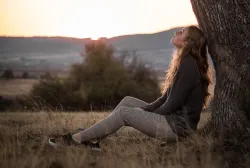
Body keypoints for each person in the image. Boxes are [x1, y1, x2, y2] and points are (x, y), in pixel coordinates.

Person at [49, 26, 212, 150]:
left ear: (187, 41)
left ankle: (76, 140)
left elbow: (172, 104)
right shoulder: (184, 62)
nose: (177, 33)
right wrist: (146, 109)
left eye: (182, 32)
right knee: (128, 101)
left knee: (124, 113)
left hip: (177, 128)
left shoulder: (188, 66)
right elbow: (165, 99)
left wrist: (146, 113)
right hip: (172, 122)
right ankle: (92, 139)